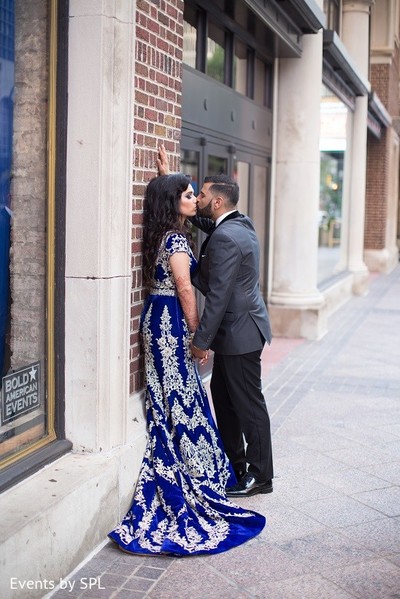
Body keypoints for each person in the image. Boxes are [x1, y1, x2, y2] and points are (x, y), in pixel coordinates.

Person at [108, 173, 265, 556]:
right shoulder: (176, 240)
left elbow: (179, 203)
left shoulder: (163, 234)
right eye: (189, 194)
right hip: (170, 320)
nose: (196, 199)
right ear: (174, 201)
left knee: (172, 391)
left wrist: (167, 176)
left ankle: (238, 467)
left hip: (157, 317)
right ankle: (194, 463)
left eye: (200, 194)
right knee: (179, 391)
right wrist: (198, 336)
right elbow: (184, 287)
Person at [157, 147, 274, 498]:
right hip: (241, 330)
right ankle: (237, 467)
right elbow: (199, 218)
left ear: (218, 202)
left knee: (247, 403)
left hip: (239, 333)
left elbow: (218, 297)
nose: (199, 198)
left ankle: (261, 475)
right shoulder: (237, 223)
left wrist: (200, 340)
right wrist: (168, 181)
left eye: (203, 194)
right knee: (225, 399)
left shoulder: (226, 237)